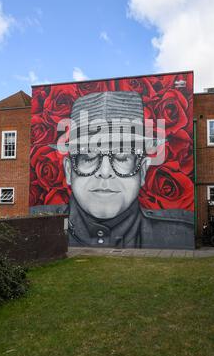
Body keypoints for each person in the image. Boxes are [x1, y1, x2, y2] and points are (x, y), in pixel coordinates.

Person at [62, 91, 194, 249]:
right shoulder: (38, 224)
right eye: (89, 156)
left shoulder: (180, 232)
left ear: (143, 171)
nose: (105, 172)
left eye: (122, 157)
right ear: (69, 170)